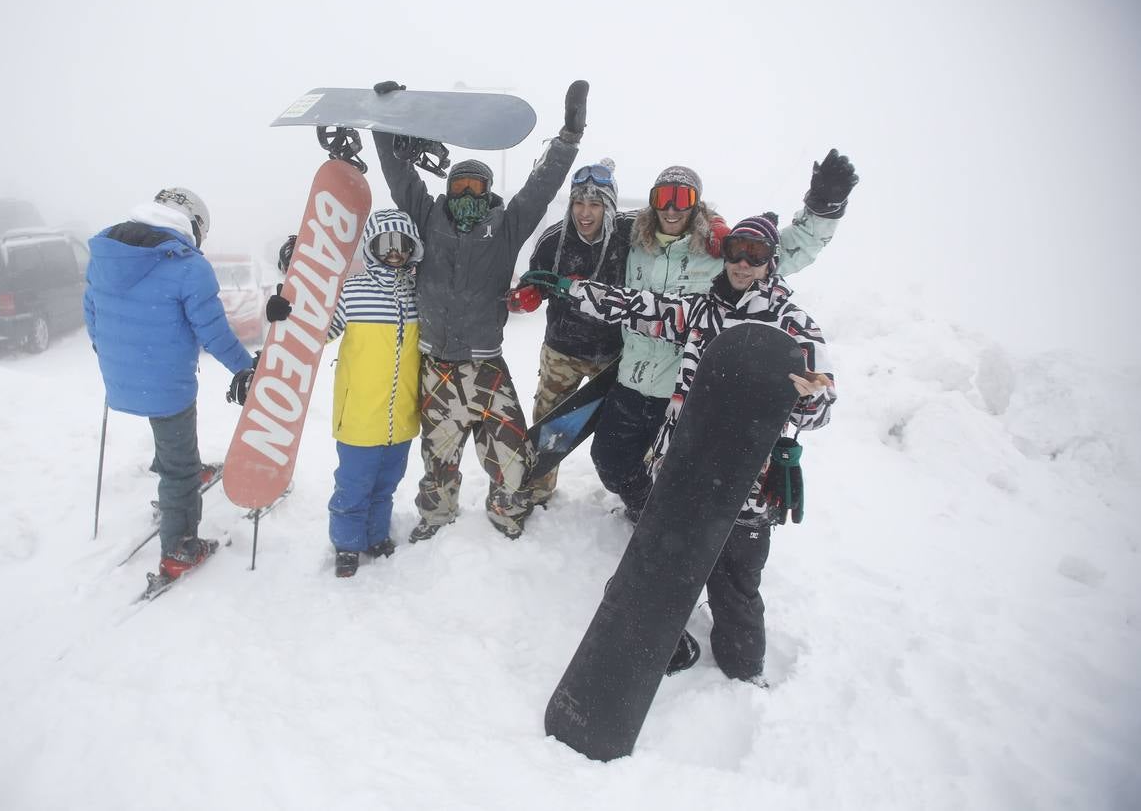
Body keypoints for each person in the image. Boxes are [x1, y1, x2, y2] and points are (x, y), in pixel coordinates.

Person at [522, 213, 837, 685]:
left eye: (756, 255)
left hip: (744, 484)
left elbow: (819, 408)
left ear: (770, 262)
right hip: (681, 469)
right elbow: (634, 306)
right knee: (652, 571)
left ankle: (743, 676)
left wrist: (812, 398)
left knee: (735, 586)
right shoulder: (699, 311)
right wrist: (573, 289)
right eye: (737, 251)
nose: (744, 264)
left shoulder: (790, 324)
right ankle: (665, 643)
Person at [370, 79, 588, 541]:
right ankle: (435, 517)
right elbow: (398, 176)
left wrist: (568, 140)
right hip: (437, 367)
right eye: (460, 185)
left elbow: (541, 187)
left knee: (512, 456)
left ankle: (506, 513)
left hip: (486, 365)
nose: (467, 193)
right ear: (448, 190)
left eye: (477, 186)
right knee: (437, 458)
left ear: (488, 191)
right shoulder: (428, 217)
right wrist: (383, 125)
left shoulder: (506, 227)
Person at [589, 150, 856, 522]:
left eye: (682, 199)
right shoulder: (633, 244)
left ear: (696, 205)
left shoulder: (723, 252)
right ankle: (644, 506)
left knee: (672, 470)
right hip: (632, 377)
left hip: (684, 389)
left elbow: (791, 247)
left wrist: (822, 209)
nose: (671, 208)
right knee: (609, 461)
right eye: (663, 197)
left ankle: (659, 517)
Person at [83, 187, 257, 581]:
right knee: (178, 468)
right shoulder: (187, 266)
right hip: (165, 382)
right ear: (193, 224)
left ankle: (181, 468)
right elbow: (213, 332)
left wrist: (112, 356)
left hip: (121, 374)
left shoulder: (107, 252)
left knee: (167, 433)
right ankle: (179, 547)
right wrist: (247, 370)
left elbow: (92, 314)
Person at [317, 209, 424, 577]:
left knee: (386, 485)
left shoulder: (417, 294)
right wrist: (289, 310)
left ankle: (377, 535)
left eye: (402, 244)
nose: (394, 252)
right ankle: (347, 544)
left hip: (402, 417)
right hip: (360, 414)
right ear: (372, 247)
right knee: (353, 485)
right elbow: (321, 333)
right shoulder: (353, 291)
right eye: (386, 243)